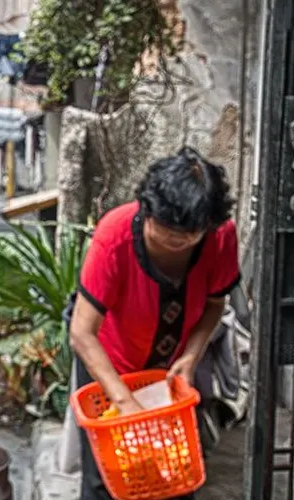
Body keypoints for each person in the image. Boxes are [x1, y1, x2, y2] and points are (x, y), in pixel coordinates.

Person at [64, 146, 240, 500]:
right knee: (108, 477)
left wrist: (190, 357)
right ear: (147, 209)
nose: (175, 242)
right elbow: (82, 333)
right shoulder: (114, 236)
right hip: (109, 364)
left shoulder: (220, 237)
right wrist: (124, 402)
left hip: (170, 371)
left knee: (174, 471)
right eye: (164, 230)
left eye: (187, 235)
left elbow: (215, 304)